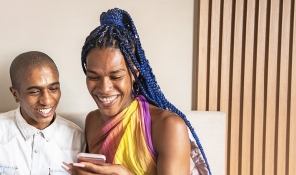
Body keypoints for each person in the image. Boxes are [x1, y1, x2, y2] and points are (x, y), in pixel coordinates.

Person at [63, 8, 211, 175]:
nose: (104, 88)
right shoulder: (92, 121)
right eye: (94, 77)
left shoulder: (168, 126)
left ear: (134, 72)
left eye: (116, 76)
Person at [0, 51, 85, 175]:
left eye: (53, 88)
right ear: (15, 94)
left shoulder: (76, 138)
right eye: (34, 91)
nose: (47, 100)